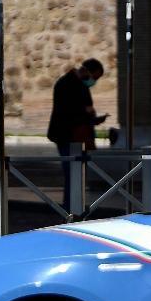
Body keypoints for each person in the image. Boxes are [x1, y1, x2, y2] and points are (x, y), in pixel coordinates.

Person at [46, 59, 108, 213]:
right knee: (72, 174)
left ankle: (74, 209)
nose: (94, 81)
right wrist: (89, 116)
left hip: (76, 136)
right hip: (69, 137)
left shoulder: (77, 84)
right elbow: (71, 112)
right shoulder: (68, 84)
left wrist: (93, 118)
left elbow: (83, 110)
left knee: (76, 175)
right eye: (95, 77)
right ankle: (71, 210)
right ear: (87, 71)